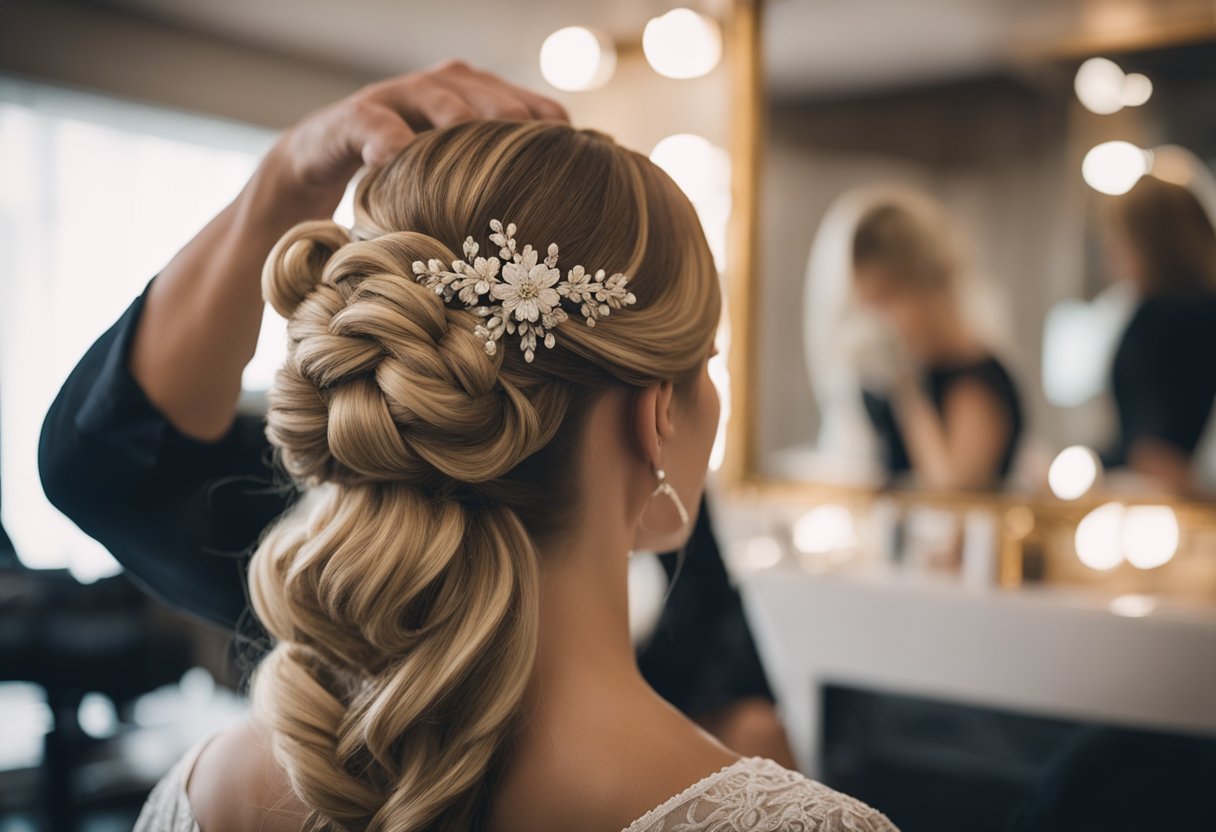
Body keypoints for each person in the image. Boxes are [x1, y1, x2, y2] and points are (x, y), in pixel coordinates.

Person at [40, 62, 890, 831]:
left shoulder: (210, 794)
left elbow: (106, 457)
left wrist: (284, 184)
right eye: (708, 365)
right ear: (659, 411)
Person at [847, 195, 1023, 491]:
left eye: (887, 300)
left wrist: (907, 390)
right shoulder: (908, 370)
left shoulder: (976, 380)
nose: (880, 323)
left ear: (928, 285)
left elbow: (951, 490)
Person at [1100, 174, 1216, 495]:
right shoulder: (1192, 311)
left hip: (1163, 499)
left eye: (1119, 236)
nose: (1110, 249)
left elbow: (1155, 454)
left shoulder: (1164, 318)